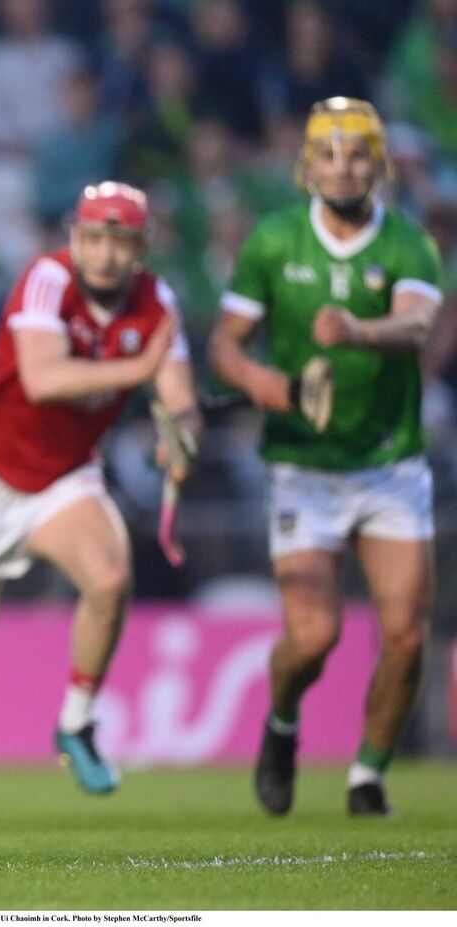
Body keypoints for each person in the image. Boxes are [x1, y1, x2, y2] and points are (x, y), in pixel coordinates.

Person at [0, 182, 201, 816]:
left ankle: (76, 722)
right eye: (93, 238)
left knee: (110, 578)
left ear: (141, 249)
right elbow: (44, 378)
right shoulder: (46, 278)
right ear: (75, 238)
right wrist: (137, 372)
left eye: (119, 242)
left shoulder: (159, 305)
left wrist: (179, 434)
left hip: (66, 477)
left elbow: (180, 400)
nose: (103, 255)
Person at [207, 98, 444, 816]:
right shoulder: (275, 241)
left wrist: (357, 331)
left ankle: (367, 774)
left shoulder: (409, 243)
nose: (343, 167)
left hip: (389, 463)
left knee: (404, 633)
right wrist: (265, 384)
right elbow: (225, 343)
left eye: (358, 155)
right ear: (308, 166)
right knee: (314, 636)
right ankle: (282, 722)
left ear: (377, 165)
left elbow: (418, 323)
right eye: (330, 155)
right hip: (304, 467)